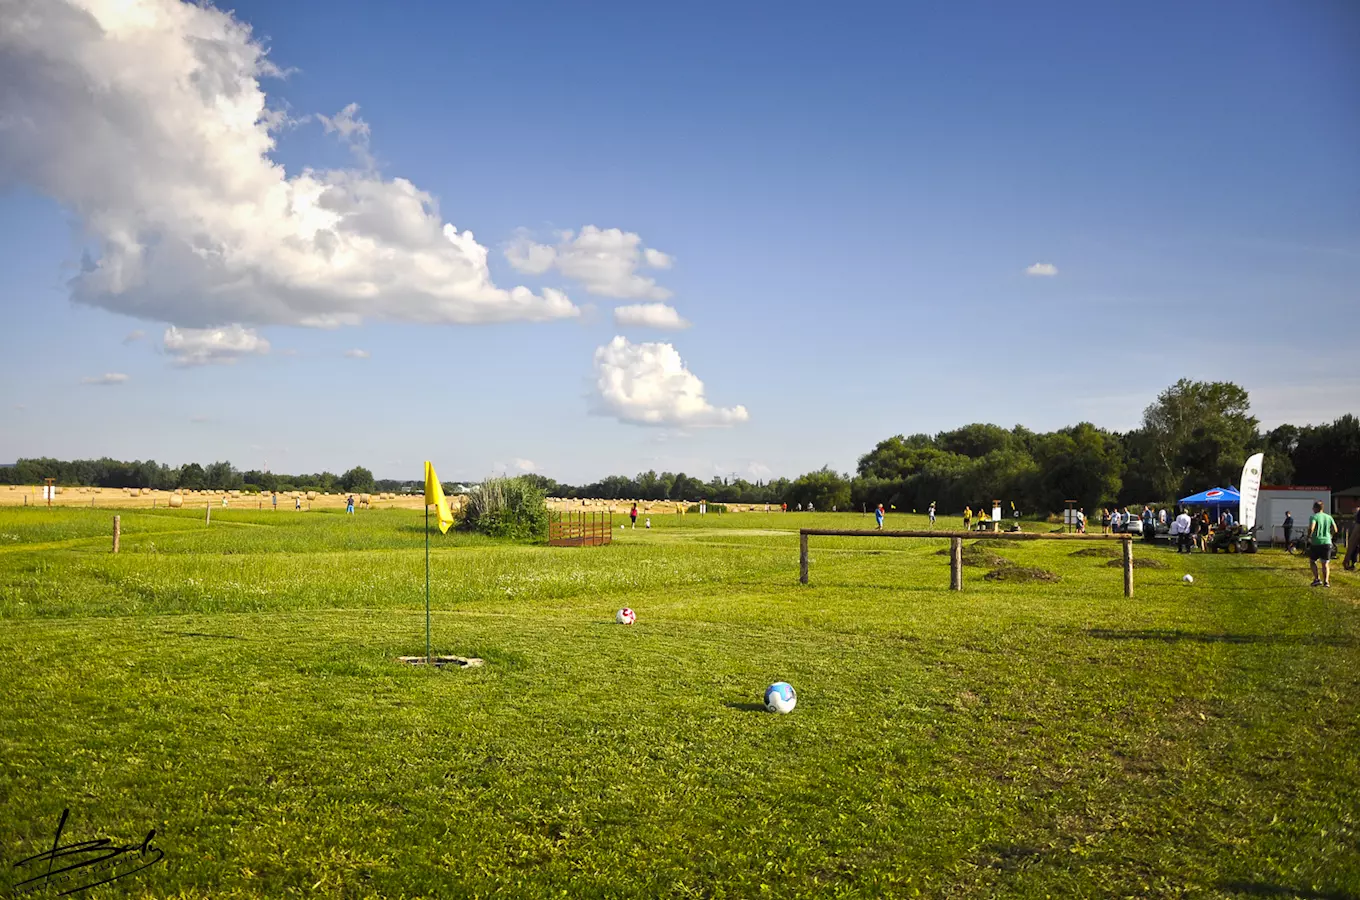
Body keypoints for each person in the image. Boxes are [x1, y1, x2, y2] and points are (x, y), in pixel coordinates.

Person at [1307, 500, 1338, 587]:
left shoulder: (1314, 517)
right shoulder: (1329, 517)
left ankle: (1317, 579)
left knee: (1312, 561)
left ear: (1315, 508)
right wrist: (1330, 535)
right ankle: (1326, 582)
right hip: (1327, 542)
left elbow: (1312, 528)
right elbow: (1335, 529)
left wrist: (1309, 536)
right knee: (1325, 563)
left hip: (1316, 542)